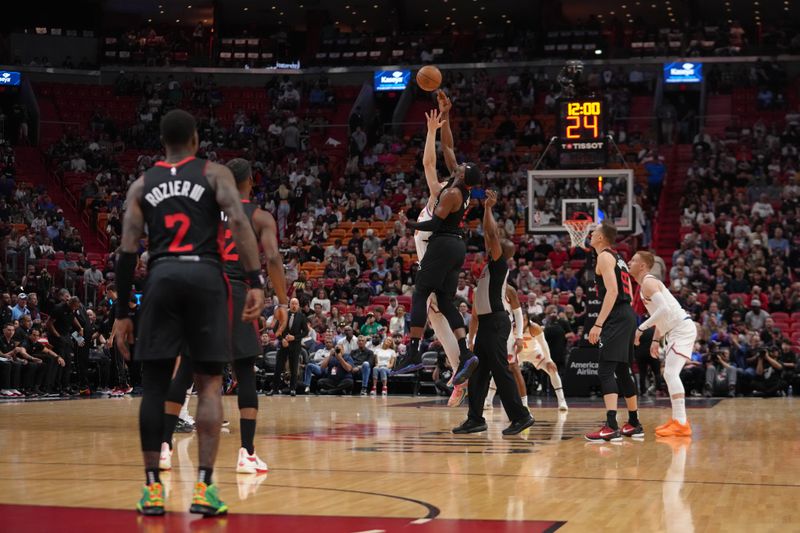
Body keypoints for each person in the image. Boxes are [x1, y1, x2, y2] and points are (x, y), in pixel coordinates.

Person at [112, 109, 264, 517]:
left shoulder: (142, 183)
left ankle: (151, 489)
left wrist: (123, 310)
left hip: (161, 277)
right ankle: (204, 487)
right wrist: (256, 281)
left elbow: (127, 250)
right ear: (196, 140)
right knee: (210, 384)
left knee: (155, 384)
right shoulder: (215, 174)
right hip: (205, 278)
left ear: (164, 143)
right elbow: (239, 225)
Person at [159, 157, 289, 475]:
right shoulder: (258, 216)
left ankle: (163, 447)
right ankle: (246, 453)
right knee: (245, 373)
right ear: (251, 182)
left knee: (186, 370)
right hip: (238, 294)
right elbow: (272, 257)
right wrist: (283, 302)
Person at [395, 103, 482, 393]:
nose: (456, 167)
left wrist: (431, 130)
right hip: (452, 246)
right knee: (442, 304)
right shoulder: (462, 190)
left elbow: (429, 164)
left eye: (460, 169)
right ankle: (463, 359)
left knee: (424, 299)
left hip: (435, 243)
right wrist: (445, 119)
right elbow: (449, 148)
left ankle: (416, 353)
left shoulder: (445, 193)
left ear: (461, 177)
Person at [455, 190, 534, 436]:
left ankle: (521, 416)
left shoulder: (499, 264)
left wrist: (488, 208)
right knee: (479, 373)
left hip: (497, 322)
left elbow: (490, 234)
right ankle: (475, 419)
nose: (489, 247)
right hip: (489, 323)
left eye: (493, 247)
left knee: (501, 370)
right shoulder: (490, 268)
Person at [584, 222, 642, 442]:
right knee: (623, 369)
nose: (590, 234)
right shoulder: (618, 258)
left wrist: (598, 324)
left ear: (601, 238)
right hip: (626, 314)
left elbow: (613, 292)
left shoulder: (604, 257)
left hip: (617, 315)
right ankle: (634, 423)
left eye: (594, 232)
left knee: (606, 370)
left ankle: (611, 426)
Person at [630, 251, 695, 438]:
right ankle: (677, 420)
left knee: (670, 373)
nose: (629, 262)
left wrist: (640, 329)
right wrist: (655, 340)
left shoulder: (648, 282)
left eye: (633, 260)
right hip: (674, 329)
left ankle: (681, 423)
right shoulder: (646, 284)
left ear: (642, 265)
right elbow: (660, 314)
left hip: (681, 329)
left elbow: (664, 310)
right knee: (669, 373)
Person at [268, 298, 307, 396]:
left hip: (295, 346)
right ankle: (274, 389)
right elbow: (275, 329)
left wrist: (294, 337)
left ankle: (292, 389)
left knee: (294, 368)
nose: (294, 305)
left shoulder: (302, 317)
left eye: (296, 304)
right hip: (283, 345)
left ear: (298, 306)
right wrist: (282, 339)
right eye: (292, 303)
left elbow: (305, 332)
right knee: (278, 367)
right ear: (289, 304)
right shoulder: (283, 315)